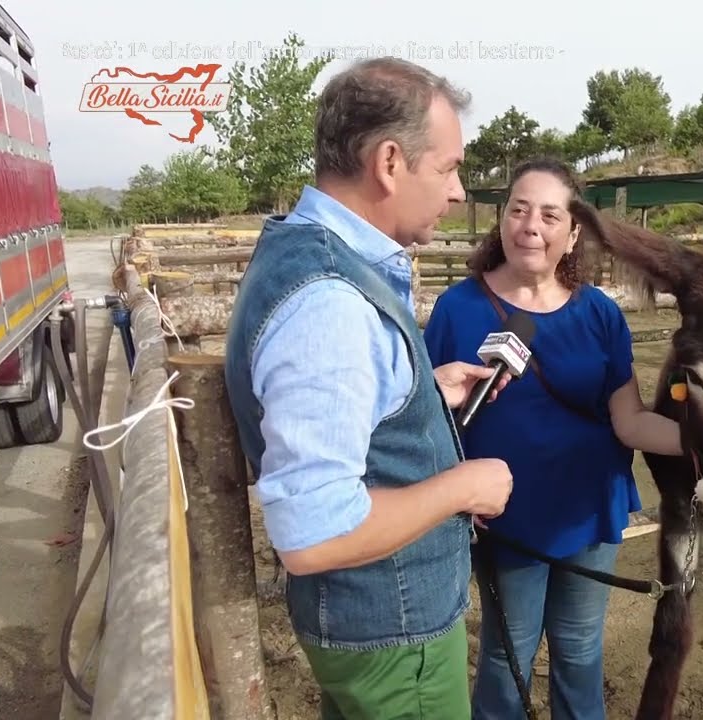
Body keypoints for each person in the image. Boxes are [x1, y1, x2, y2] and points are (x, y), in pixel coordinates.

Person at [223, 57, 514, 720]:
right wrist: (465, 487)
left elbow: (332, 403)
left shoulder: (308, 253)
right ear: (389, 162)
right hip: (392, 631)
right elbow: (314, 535)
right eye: (447, 168)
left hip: (369, 625)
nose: (459, 191)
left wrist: (423, 391)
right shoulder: (331, 303)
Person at [422, 157, 684, 720]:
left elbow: (629, 421)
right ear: (501, 222)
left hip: (590, 511)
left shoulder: (600, 315)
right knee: (506, 654)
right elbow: (427, 424)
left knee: (580, 650)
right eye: (518, 209)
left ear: (573, 233)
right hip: (506, 520)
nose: (530, 225)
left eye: (548, 213)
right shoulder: (457, 309)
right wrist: (450, 494)